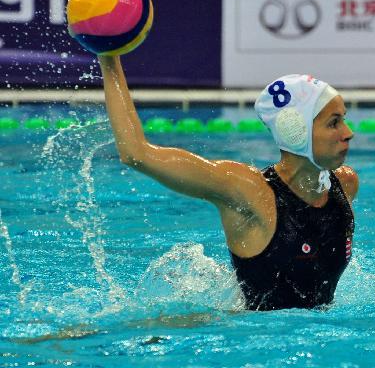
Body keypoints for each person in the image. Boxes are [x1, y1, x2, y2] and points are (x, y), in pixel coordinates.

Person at [98, 58, 357, 310]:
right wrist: (109, 59)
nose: (348, 133)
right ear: (295, 131)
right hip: (251, 338)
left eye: (343, 119)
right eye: (334, 123)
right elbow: (136, 154)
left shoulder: (345, 184)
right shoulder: (250, 194)